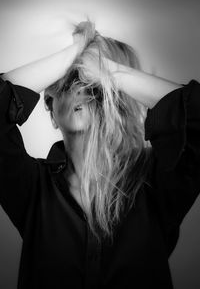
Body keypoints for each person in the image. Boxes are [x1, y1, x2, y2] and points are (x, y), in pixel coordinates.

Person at [0, 20, 199, 289]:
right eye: (70, 79)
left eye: (94, 84)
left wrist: (114, 72)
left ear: (120, 99)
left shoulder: (156, 177)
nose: (81, 88)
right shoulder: (33, 187)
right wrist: (74, 51)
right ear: (50, 106)